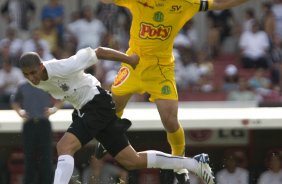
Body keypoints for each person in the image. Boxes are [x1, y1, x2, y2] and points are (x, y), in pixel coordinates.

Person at [97, 0, 252, 183]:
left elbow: (218, 3)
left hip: (161, 70)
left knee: (170, 121)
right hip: (134, 64)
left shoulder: (186, 3)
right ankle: (107, 136)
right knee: (113, 107)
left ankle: (179, 164)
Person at [18, 47, 215, 184]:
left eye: (34, 72)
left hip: (96, 105)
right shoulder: (37, 80)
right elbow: (64, 90)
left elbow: (99, 52)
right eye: (27, 75)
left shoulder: (62, 66)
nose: (32, 78)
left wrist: (129, 59)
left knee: (64, 146)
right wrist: (56, 107)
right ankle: (195, 164)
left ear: (42, 66)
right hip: (88, 110)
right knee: (132, 160)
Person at [10, 81, 63, 184]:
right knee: (29, 158)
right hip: (29, 125)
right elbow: (14, 101)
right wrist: (19, 111)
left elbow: (61, 98)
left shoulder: (47, 85)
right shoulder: (22, 86)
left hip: (44, 124)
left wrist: (54, 109)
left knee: (46, 158)